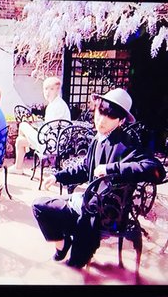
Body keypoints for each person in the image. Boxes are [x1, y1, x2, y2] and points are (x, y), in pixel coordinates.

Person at [32, 88, 166, 268]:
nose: (101, 120)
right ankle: (63, 245)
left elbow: (157, 170)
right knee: (40, 207)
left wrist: (111, 168)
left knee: (74, 264)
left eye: (110, 116)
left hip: (106, 213)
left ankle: (76, 252)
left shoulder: (127, 144)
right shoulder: (98, 138)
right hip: (89, 203)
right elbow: (85, 168)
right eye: (100, 112)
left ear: (121, 120)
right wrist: (57, 177)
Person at [8, 76, 71, 175]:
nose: (47, 92)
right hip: (55, 142)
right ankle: (18, 167)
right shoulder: (58, 104)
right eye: (45, 89)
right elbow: (51, 126)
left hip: (50, 144)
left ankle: (23, 157)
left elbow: (47, 130)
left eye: (51, 89)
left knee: (23, 125)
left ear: (58, 90)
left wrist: (37, 128)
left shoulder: (55, 106)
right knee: (20, 141)